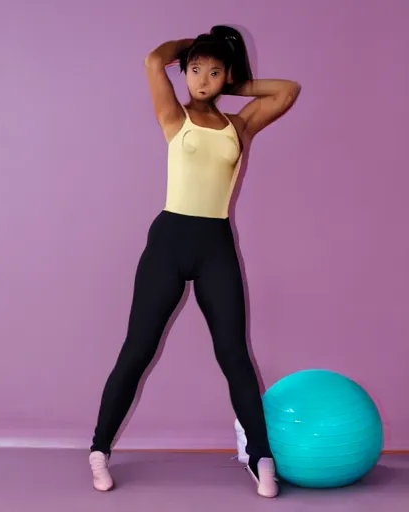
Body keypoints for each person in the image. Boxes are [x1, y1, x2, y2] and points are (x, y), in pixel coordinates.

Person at [88, 25, 301, 498]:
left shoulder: (239, 125)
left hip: (215, 245)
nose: (203, 79)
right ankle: (99, 449)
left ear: (226, 76)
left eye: (214, 72)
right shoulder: (173, 115)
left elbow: (288, 91)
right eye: (196, 71)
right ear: (185, 73)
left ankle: (261, 457)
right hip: (168, 241)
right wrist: (195, 48)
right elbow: (151, 60)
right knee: (137, 349)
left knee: (233, 355)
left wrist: (235, 78)